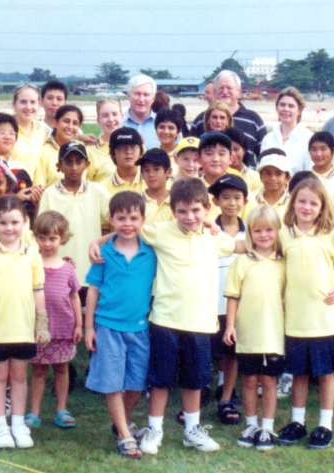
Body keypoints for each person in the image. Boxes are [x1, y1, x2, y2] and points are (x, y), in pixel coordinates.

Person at [89, 179, 245, 454]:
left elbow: (242, 246)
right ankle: (154, 429)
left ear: (207, 209)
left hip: (201, 323)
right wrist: (97, 240)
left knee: (194, 380)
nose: (189, 217)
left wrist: (275, 241)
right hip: (164, 321)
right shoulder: (160, 231)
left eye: (196, 211)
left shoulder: (215, 238)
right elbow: (127, 230)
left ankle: (192, 430)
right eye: (182, 211)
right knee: (160, 380)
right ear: (173, 212)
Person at [274, 178, 334, 450]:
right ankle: (298, 422)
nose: (306, 207)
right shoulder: (283, 234)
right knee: (299, 373)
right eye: (301, 201)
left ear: (322, 207)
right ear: (293, 203)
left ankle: (324, 425)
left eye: (313, 203)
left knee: (326, 374)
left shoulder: (330, 233)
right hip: (296, 319)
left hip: (325, 317)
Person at [0, 196, 50, 449]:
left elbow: (38, 292)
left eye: (15, 222)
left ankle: (18, 424)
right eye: (3, 222)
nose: (9, 228)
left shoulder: (33, 255)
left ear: (25, 222)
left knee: (19, 376)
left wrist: (42, 325)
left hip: (24, 329)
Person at [84, 191, 157, 458]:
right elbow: (93, 291)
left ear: (143, 220)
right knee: (113, 383)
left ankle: (121, 423)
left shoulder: (151, 251)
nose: (128, 223)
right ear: (111, 220)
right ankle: (125, 435)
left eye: (133, 218)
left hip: (139, 328)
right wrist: (89, 328)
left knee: (137, 384)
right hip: (108, 327)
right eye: (121, 218)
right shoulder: (103, 254)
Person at [222, 204, 286, 452]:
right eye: (257, 230)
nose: (264, 235)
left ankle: (267, 428)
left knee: (269, 381)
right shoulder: (241, 262)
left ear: (278, 231)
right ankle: (251, 425)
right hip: (248, 333)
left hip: (274, 334)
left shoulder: (284, 263)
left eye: (269, 230)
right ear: (250, 233)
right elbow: (233, 297)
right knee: (249, 381)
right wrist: (230, 325)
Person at [24, 212, 82, 429]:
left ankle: (61, 410)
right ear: (36, 238)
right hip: (40, 330)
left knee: (61, 369)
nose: (47, 243)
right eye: (42, 238)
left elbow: (74, 297)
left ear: (62, 239)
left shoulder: (68, 268)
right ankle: (34, 412)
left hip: (64, 329)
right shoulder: (31, 264)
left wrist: (79, 325)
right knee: (38, 370)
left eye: (52, 238)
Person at [37, 141, 112, 287]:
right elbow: (41, 230)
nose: (74, 167)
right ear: (59, 166)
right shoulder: (50, 194)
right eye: (68, 162)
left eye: (79, 162)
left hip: (91, 268)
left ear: (87, 165)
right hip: (59, 269)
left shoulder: (97, 191)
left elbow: (115, 217)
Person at [208, 175, 250, 426]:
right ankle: (201, 392)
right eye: (225, 198)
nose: (231, 203)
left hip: (238, 303)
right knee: (206, 350)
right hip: (209, 300)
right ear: (215, 201)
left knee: (231, 351)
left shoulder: (251, 231)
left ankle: (226, 396)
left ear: (245, 201)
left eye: (237, 198)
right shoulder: (207, 229)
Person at [193, 71, 267, 167]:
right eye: (221, 88)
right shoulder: (201, 120)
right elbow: (191, 155)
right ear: (215, 91)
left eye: (229, 88)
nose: (225, 92)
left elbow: (264, 156)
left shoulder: (254, 120)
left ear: (238, 90)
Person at [261, 87, 314, 175]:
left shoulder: (309, 139)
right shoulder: (268, 139)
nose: (286, 109)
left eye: (291, 106)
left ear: (299, 110)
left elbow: (310, 174)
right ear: (277, 108)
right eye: (282, 105)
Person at [39, 105, 85, 187]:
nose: (70, 127)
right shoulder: (44, 151)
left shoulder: (81, 148)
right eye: (66, 121)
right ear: (55, 123)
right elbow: (39, 187)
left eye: (75, 123)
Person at [10, 83, 48, 184]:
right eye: (23, 102)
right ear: (14, 104)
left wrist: (79, 137)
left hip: (30, 189)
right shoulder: (2, 127)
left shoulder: (41, 130)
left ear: (39, 104)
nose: (28, 107)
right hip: (6, 189)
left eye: (33, 102)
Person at [307, 132, 334, 207]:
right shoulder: (303, 178)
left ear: (333, 150)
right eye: (314, 149)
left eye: (323, 149)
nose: (318, 154)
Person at [86, 97, 123, 184]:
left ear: (122, 117)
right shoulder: (89, 152)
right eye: (105, 116)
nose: (111, 119)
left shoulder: (135, 146)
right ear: (98, 121)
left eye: (114, 114)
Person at [104, 127, 147, 195]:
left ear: (140, 152)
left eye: (133, 147)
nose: (128, 152)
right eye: (122, 148)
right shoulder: (103, 188)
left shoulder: (151, 181)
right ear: (113, 154)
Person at [252, 149, 292, 221]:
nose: (273, 178)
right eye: (268, 173)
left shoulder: (292, 201)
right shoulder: (252, 198)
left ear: (287, 178)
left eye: (278, 174)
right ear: (260, 176)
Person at [122, 74, 159, 149]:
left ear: (153, 98)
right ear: (129, 96)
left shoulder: (162, 125)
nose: (141, 100)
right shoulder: (117, 123)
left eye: (146, 95)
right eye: (137, 94)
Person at [139, 148, 173, 224]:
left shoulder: (178, 202)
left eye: (156, 169)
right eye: (146, 170)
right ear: (142, 174)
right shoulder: (136, 203)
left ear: (168, 172)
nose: (151, 174)